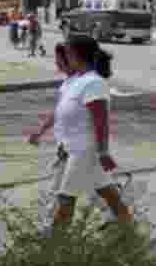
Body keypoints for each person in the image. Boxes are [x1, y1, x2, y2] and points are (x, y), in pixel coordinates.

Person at [28, 35, 131, 229]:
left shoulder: (94, 83)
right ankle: (127, 225)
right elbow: (61, 111)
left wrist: (103, 152)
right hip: (72, 147)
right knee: (107, 191)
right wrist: (41, 131)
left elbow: (101, 120)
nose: (64, 58)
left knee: (66, 197)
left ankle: (56, 240)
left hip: (83, 150)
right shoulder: (77, 81)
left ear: (76, 55)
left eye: (67, 53)